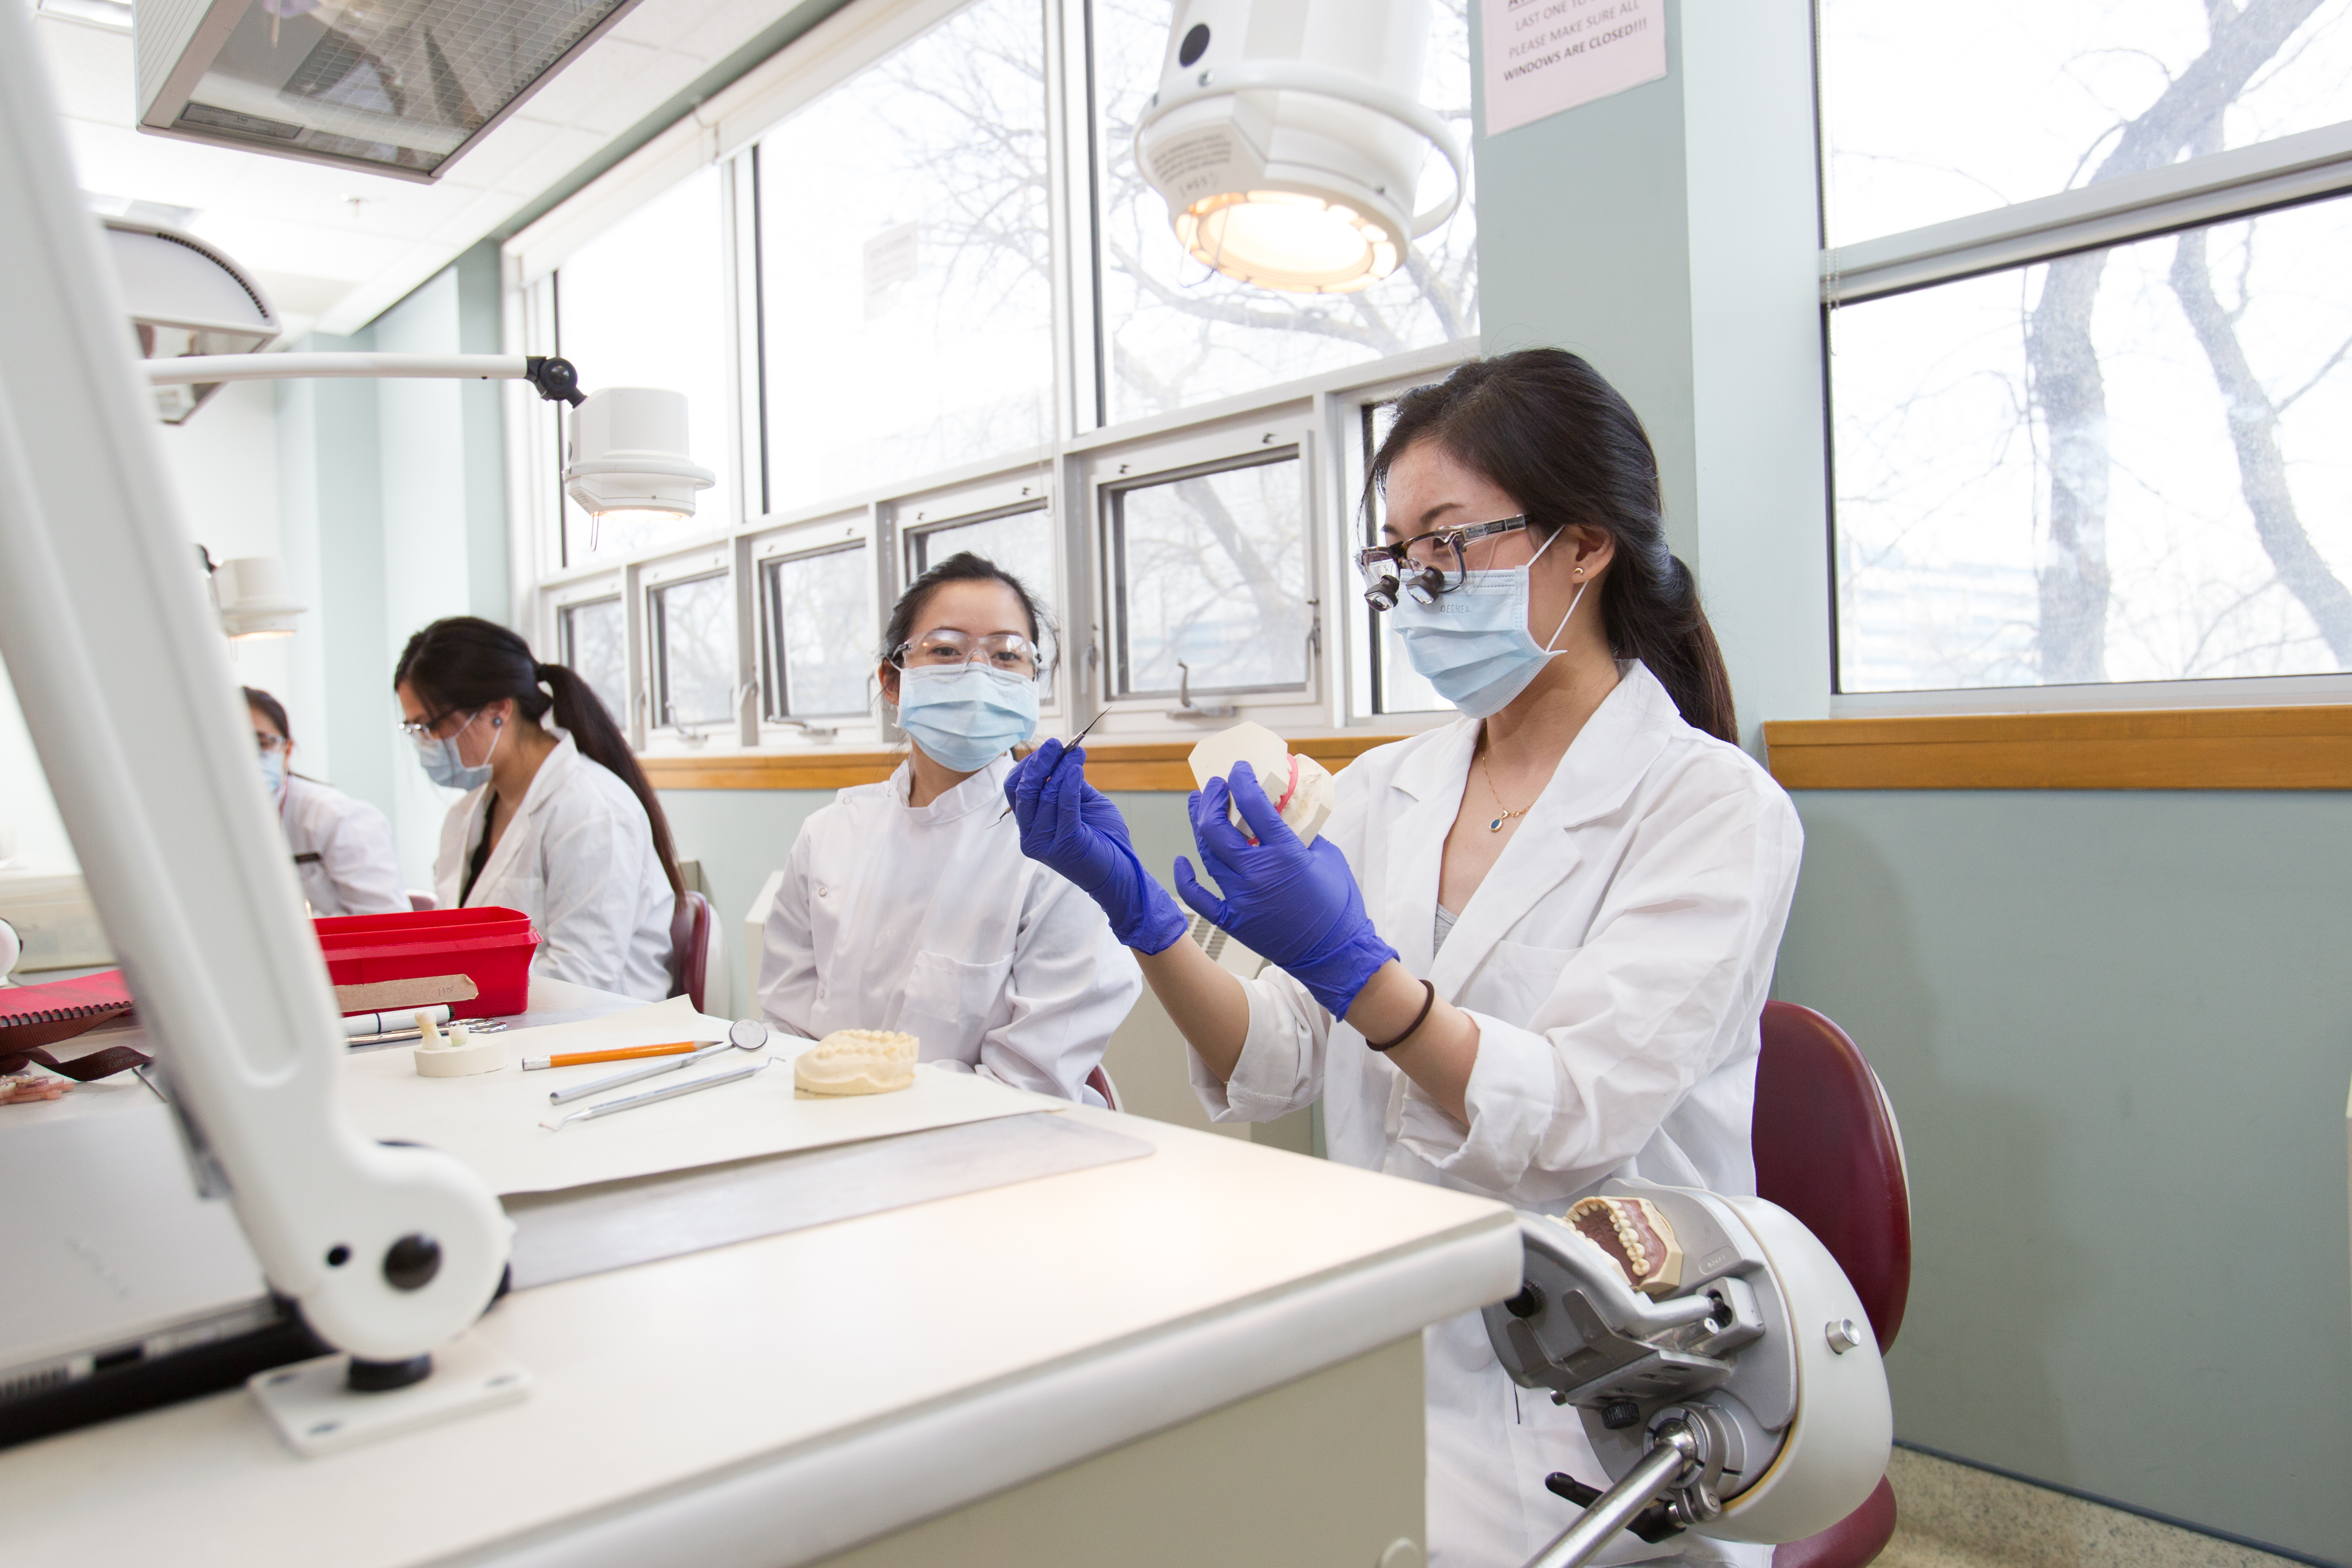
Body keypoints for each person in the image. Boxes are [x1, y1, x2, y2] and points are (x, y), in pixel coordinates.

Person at [1004, 350, 1802, 1566]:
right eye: (1397, 554)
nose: (1417, 583)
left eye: (1449, 541)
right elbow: (1271, 1062)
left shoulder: (1710, 808)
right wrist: (1143, 918)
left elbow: (1578, 1114)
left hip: (1605, 1386)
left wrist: (1360, 977)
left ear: (1582, 546)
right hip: (1396, 1338)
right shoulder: (1391, 787)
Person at [758, 552, 1139, 1104]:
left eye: (1007, 655)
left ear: (1034, 683)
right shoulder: (827, 835)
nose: (978, 673)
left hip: (992, 1153)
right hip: (825, 1139)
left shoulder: (1063, 854)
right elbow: (785, 1036)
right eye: (945, 650)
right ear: (893, 681)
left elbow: (1030, 1084)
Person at [394, 617, 680, 1002]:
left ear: (498, 709)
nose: (427, 744)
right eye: (415, 730)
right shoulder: (466, 815)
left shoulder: (591, 811)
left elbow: (582, 979)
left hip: (596, 1037)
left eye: (431, 726)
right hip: (503, 1027)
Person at [246, 686, 407, 918]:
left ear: (287, 750)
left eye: (260, 743)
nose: (243, 754)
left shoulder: (338, 819)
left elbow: (388, 928)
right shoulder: (194, 823)